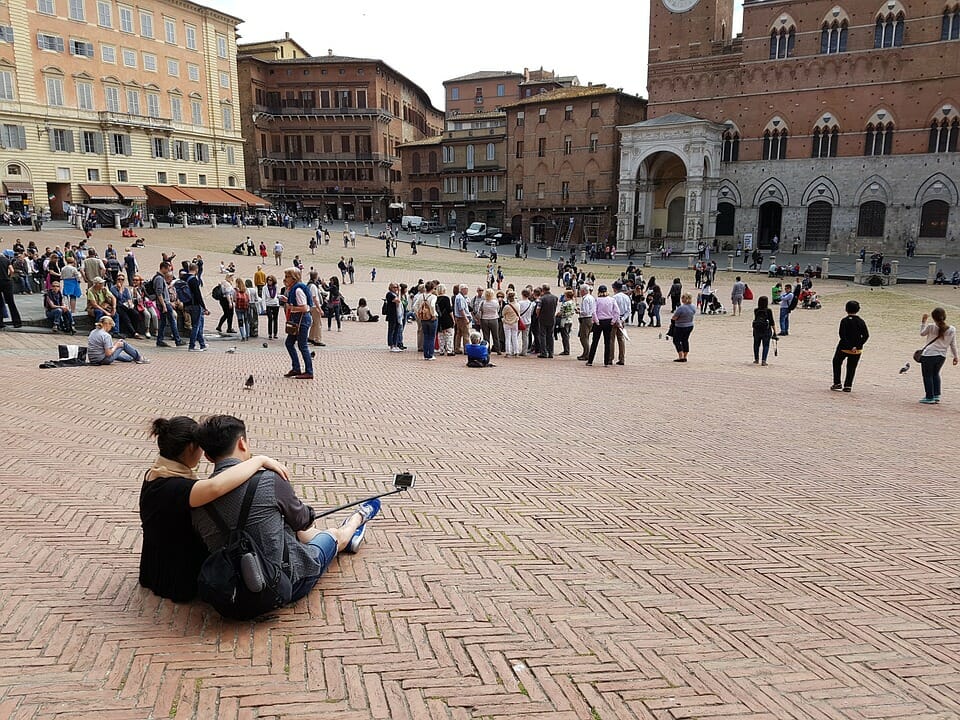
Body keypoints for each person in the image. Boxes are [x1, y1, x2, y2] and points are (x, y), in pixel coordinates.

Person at [193, 415, 381, 609]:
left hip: (229, 592)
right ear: (242, 443)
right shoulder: (268, 479)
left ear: (207, 456)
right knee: (332, 535)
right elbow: (303, 521)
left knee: (288, 528)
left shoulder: (197, 497)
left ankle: (339, 535)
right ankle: (358, 520)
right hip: (282, 584)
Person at [139, 416, 292, 602]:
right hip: (178, 577)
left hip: (155, 566)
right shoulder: (174, 487)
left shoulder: (156, 474)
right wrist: (258, 461)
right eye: (200, 446)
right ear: (190, 448)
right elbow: (215, 487)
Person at [917, 307, 958, 404]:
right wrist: (955, 356)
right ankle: (936, 395)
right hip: (942, 356)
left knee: (927, 376)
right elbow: (953, 344)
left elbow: (922, 333)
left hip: (929, 355)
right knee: (936, 374)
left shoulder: (931, 327)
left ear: (934, 318)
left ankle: (929, 396)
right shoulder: (952, 329)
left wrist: (923, 322)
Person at [829, 300, 870, 392]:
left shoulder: (844, 321)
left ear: (846, 309)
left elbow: (842, 335)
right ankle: (848, 385)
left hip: (844, 348)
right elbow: (866, 335)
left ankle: (837, 383)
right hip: (857, 350)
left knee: (836, 362)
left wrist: (850, 346)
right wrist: (858, 345)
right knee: (851, 367)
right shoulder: (861, 321)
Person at [280, 267, 314, 379]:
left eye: (287, 277)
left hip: (302, 319)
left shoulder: (298, 289)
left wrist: (292, 307)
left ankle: (309, 371)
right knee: (289, 343)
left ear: (293, 278)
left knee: (302, 345)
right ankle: (296, 368)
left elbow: (304, 308)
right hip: (299, 319)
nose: (285, 279)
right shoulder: (295, 288)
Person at [586, 285, 620, 366]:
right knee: (607, 342)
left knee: (595, 342)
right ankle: (606, 361)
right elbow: (617, 311)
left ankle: (590, 361)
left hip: (599, 321)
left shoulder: (597, 300)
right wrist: (613, 321)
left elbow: (593, 312)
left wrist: (596, 321)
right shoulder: (612, 300)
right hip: (608, 321)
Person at [154, 263, 184, 347]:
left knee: (163, 322)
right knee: (172, 321)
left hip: (164, 303)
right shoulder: (159, 278)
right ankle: (177, 340)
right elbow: (159, 293)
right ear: (163, 268)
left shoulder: (159, 278)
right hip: (165, 303)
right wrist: (164, 305)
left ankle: (160, 340)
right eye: (168, 269)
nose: (168, 271)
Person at [183, 262, 208, 352]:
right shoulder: (193, 280)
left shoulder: (183, 278)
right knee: (196, 325)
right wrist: (203, 306)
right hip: (194, 305)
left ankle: (202, 344)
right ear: (196, 270)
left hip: (186, 304)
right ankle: (192, 345)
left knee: (196, 325)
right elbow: (198, 294)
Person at [670, 292, 696, 362]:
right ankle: (685, 356)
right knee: (685, 340)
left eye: (683, 298)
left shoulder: (681, 308)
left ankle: (680, 356)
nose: (681, 299)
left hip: (680, 326)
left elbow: (674, 317)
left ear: (685, 299)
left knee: (676, 340)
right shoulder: (693, 306)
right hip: (690, 325)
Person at [752, 296, 776, 366]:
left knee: (756, 344)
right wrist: (774, 331)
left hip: (757, 329)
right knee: (766, 345)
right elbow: (772, 321)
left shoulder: (756, 310)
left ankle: (756, 359)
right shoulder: (768, 310)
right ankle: (764, 360)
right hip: (766, 330)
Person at [536, 285, 558, 358]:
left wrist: (538, 315)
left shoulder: (541, 299)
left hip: (543, 319)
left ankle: (544, 352)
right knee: (550, 336)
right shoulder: (555, 298)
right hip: (552, 318)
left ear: (543, 290)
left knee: (542, 335)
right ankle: (551, 352)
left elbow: (538, 309)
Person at [577, 285, 596, 360]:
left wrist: (579, 311)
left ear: (583, 291)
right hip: (590, 318)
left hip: (586, 318)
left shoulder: (586, 299)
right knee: (586, 336)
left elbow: (586, 311)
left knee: (583, 337)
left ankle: (587, 354)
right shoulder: (591, 297)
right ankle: (585, 353)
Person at [435, 284, 454, 355]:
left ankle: (441, 350)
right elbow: (449, 310)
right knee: (449, 335)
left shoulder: (435, 298)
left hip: (439, 319)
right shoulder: (446, 298)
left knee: (441, 335)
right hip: (447, 319)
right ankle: (449, 350)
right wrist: (453, 319)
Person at [263, 275, 281, 340]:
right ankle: (270, 333)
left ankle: (275, 333)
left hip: (275, 304)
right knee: (270, 318)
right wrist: (264, 308)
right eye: (268, 280)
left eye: (270, 280)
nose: (269, 281)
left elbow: (277, 295)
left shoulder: (276, 286)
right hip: (268, 304)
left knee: (275, 319)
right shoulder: (265, 288)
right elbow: (263, 298)